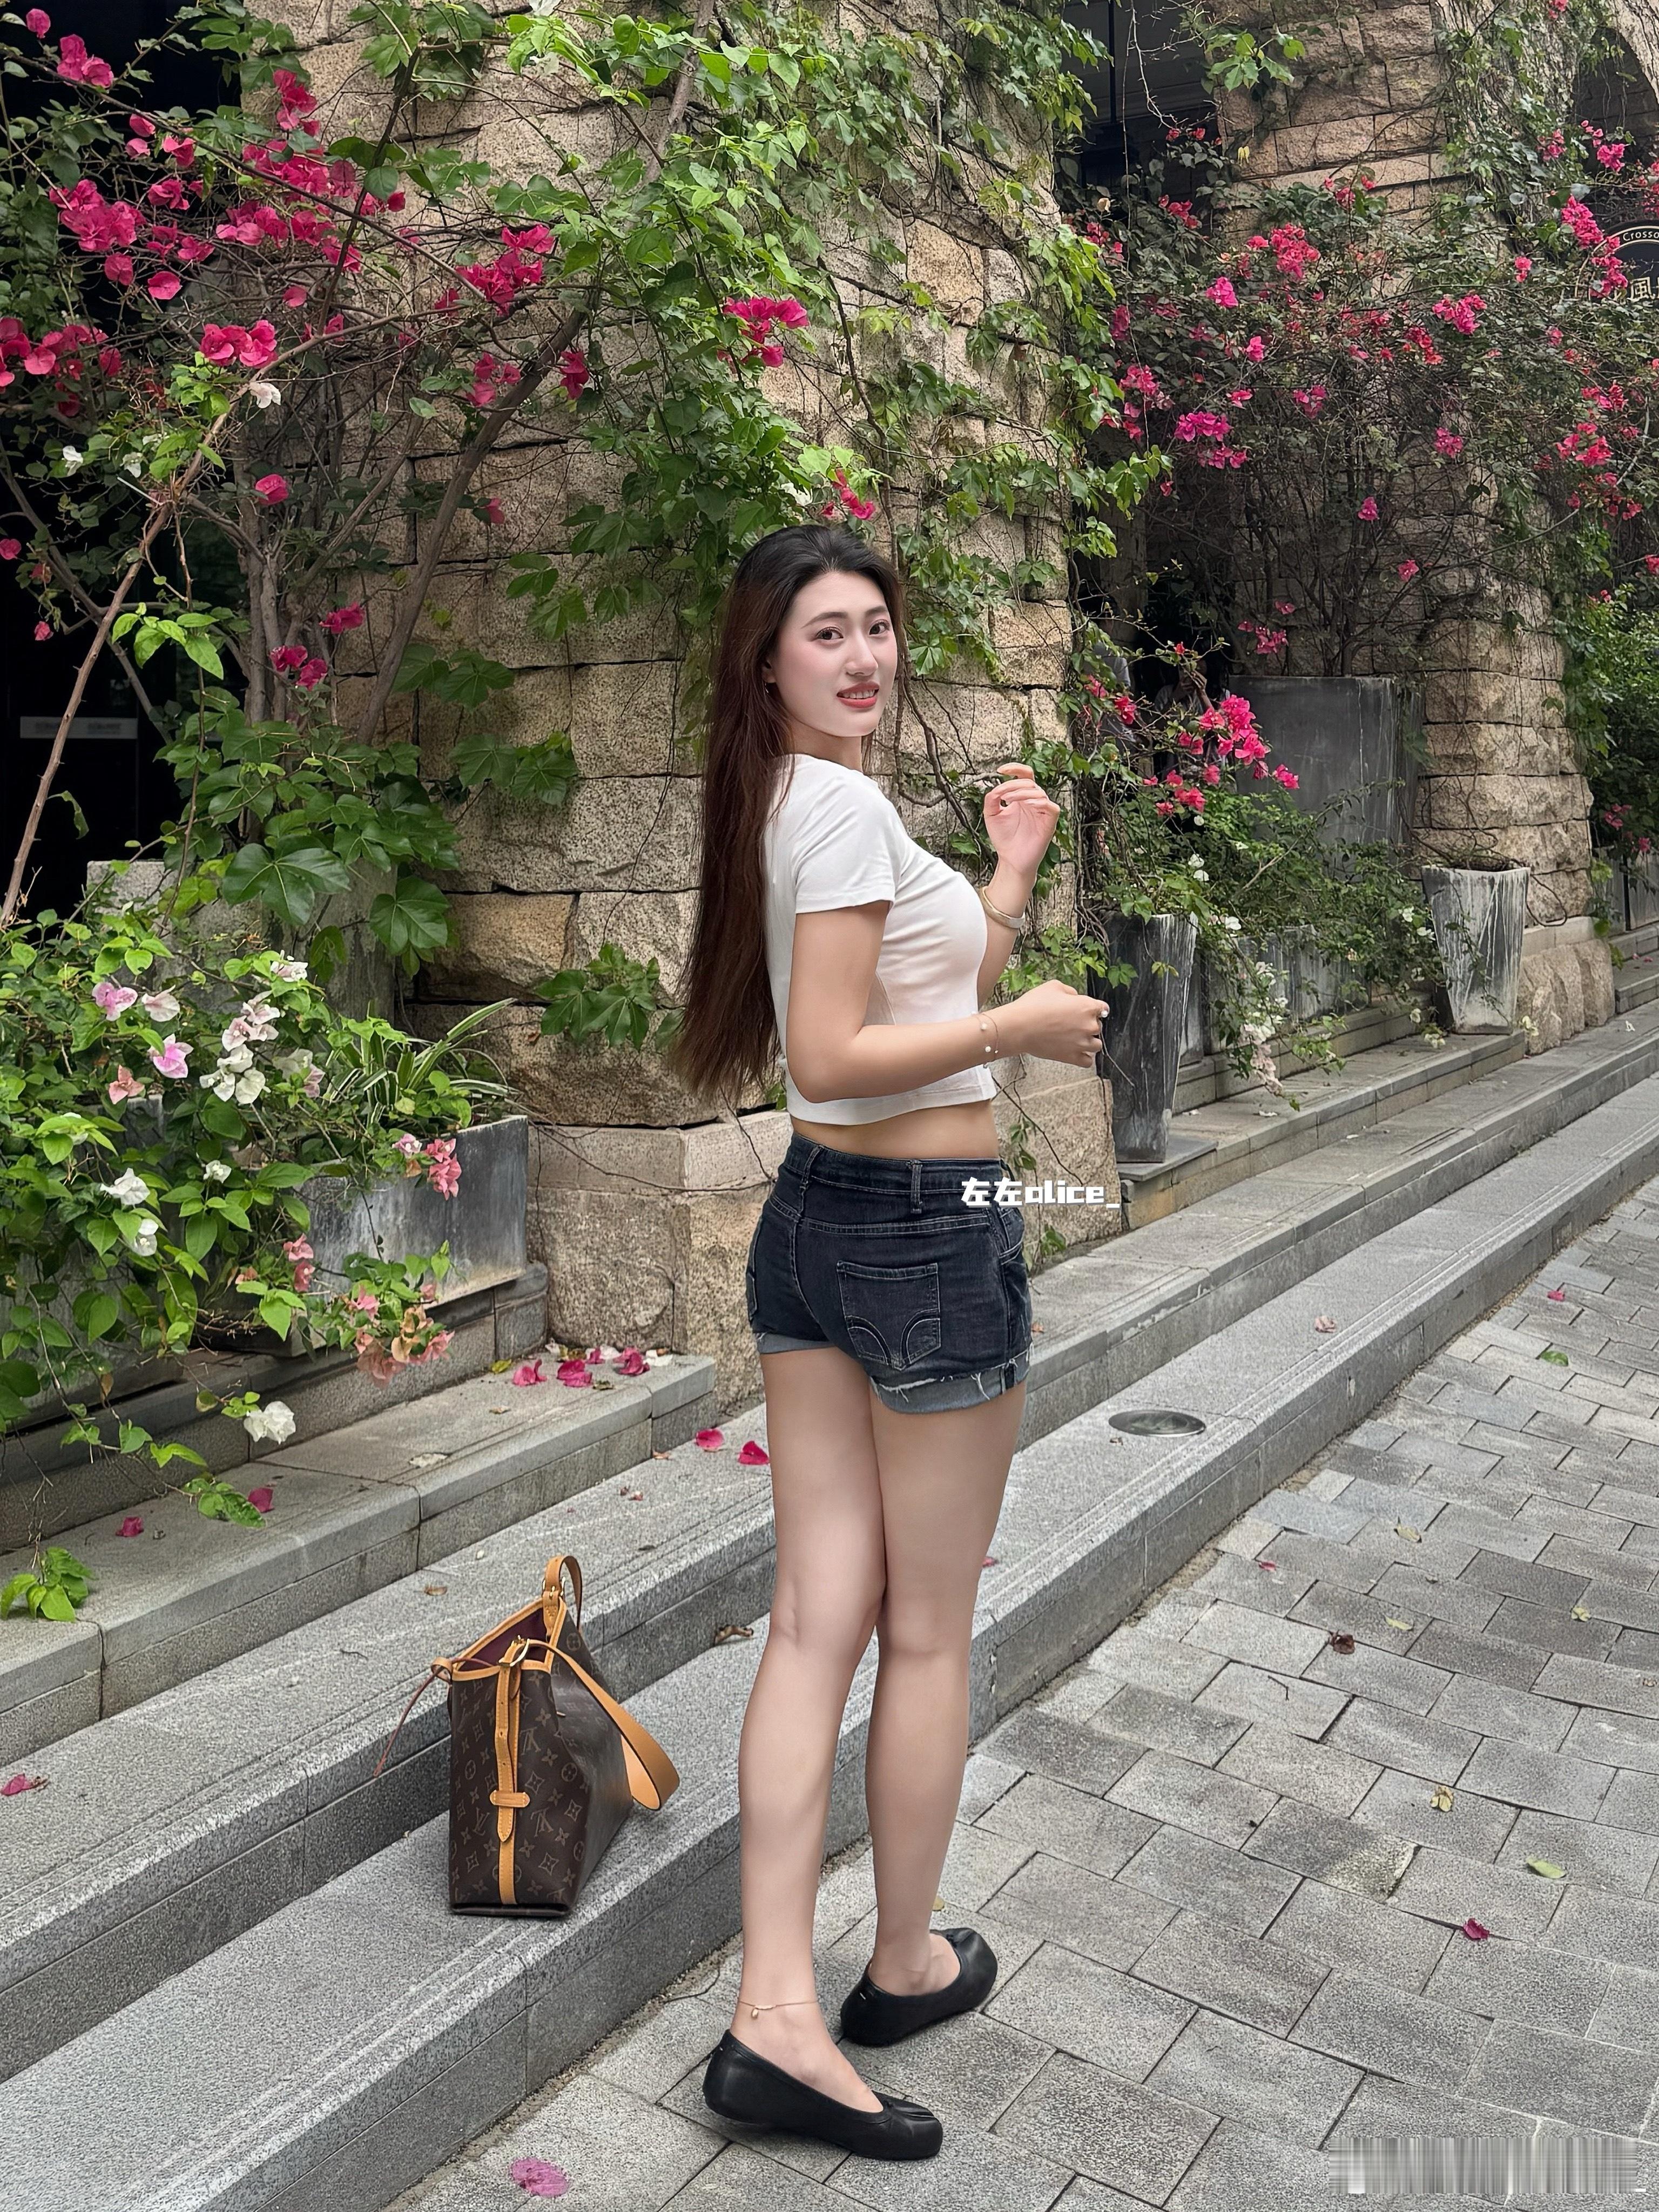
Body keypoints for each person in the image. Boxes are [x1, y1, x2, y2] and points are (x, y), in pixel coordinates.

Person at [665, 522, 1108, 2161]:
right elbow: (840, 1054)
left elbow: (891, 1001)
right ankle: (902, 1965)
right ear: (766, 658)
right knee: (922, 1631)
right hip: (928, 1223)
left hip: (818, 1223)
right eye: (825, 633)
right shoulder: (840, 806)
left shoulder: (788, 797)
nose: (862, 656)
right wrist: (1024, 1024)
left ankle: (775, 2008)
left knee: (812, 1620)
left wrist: (1004, 882)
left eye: (876, 627)